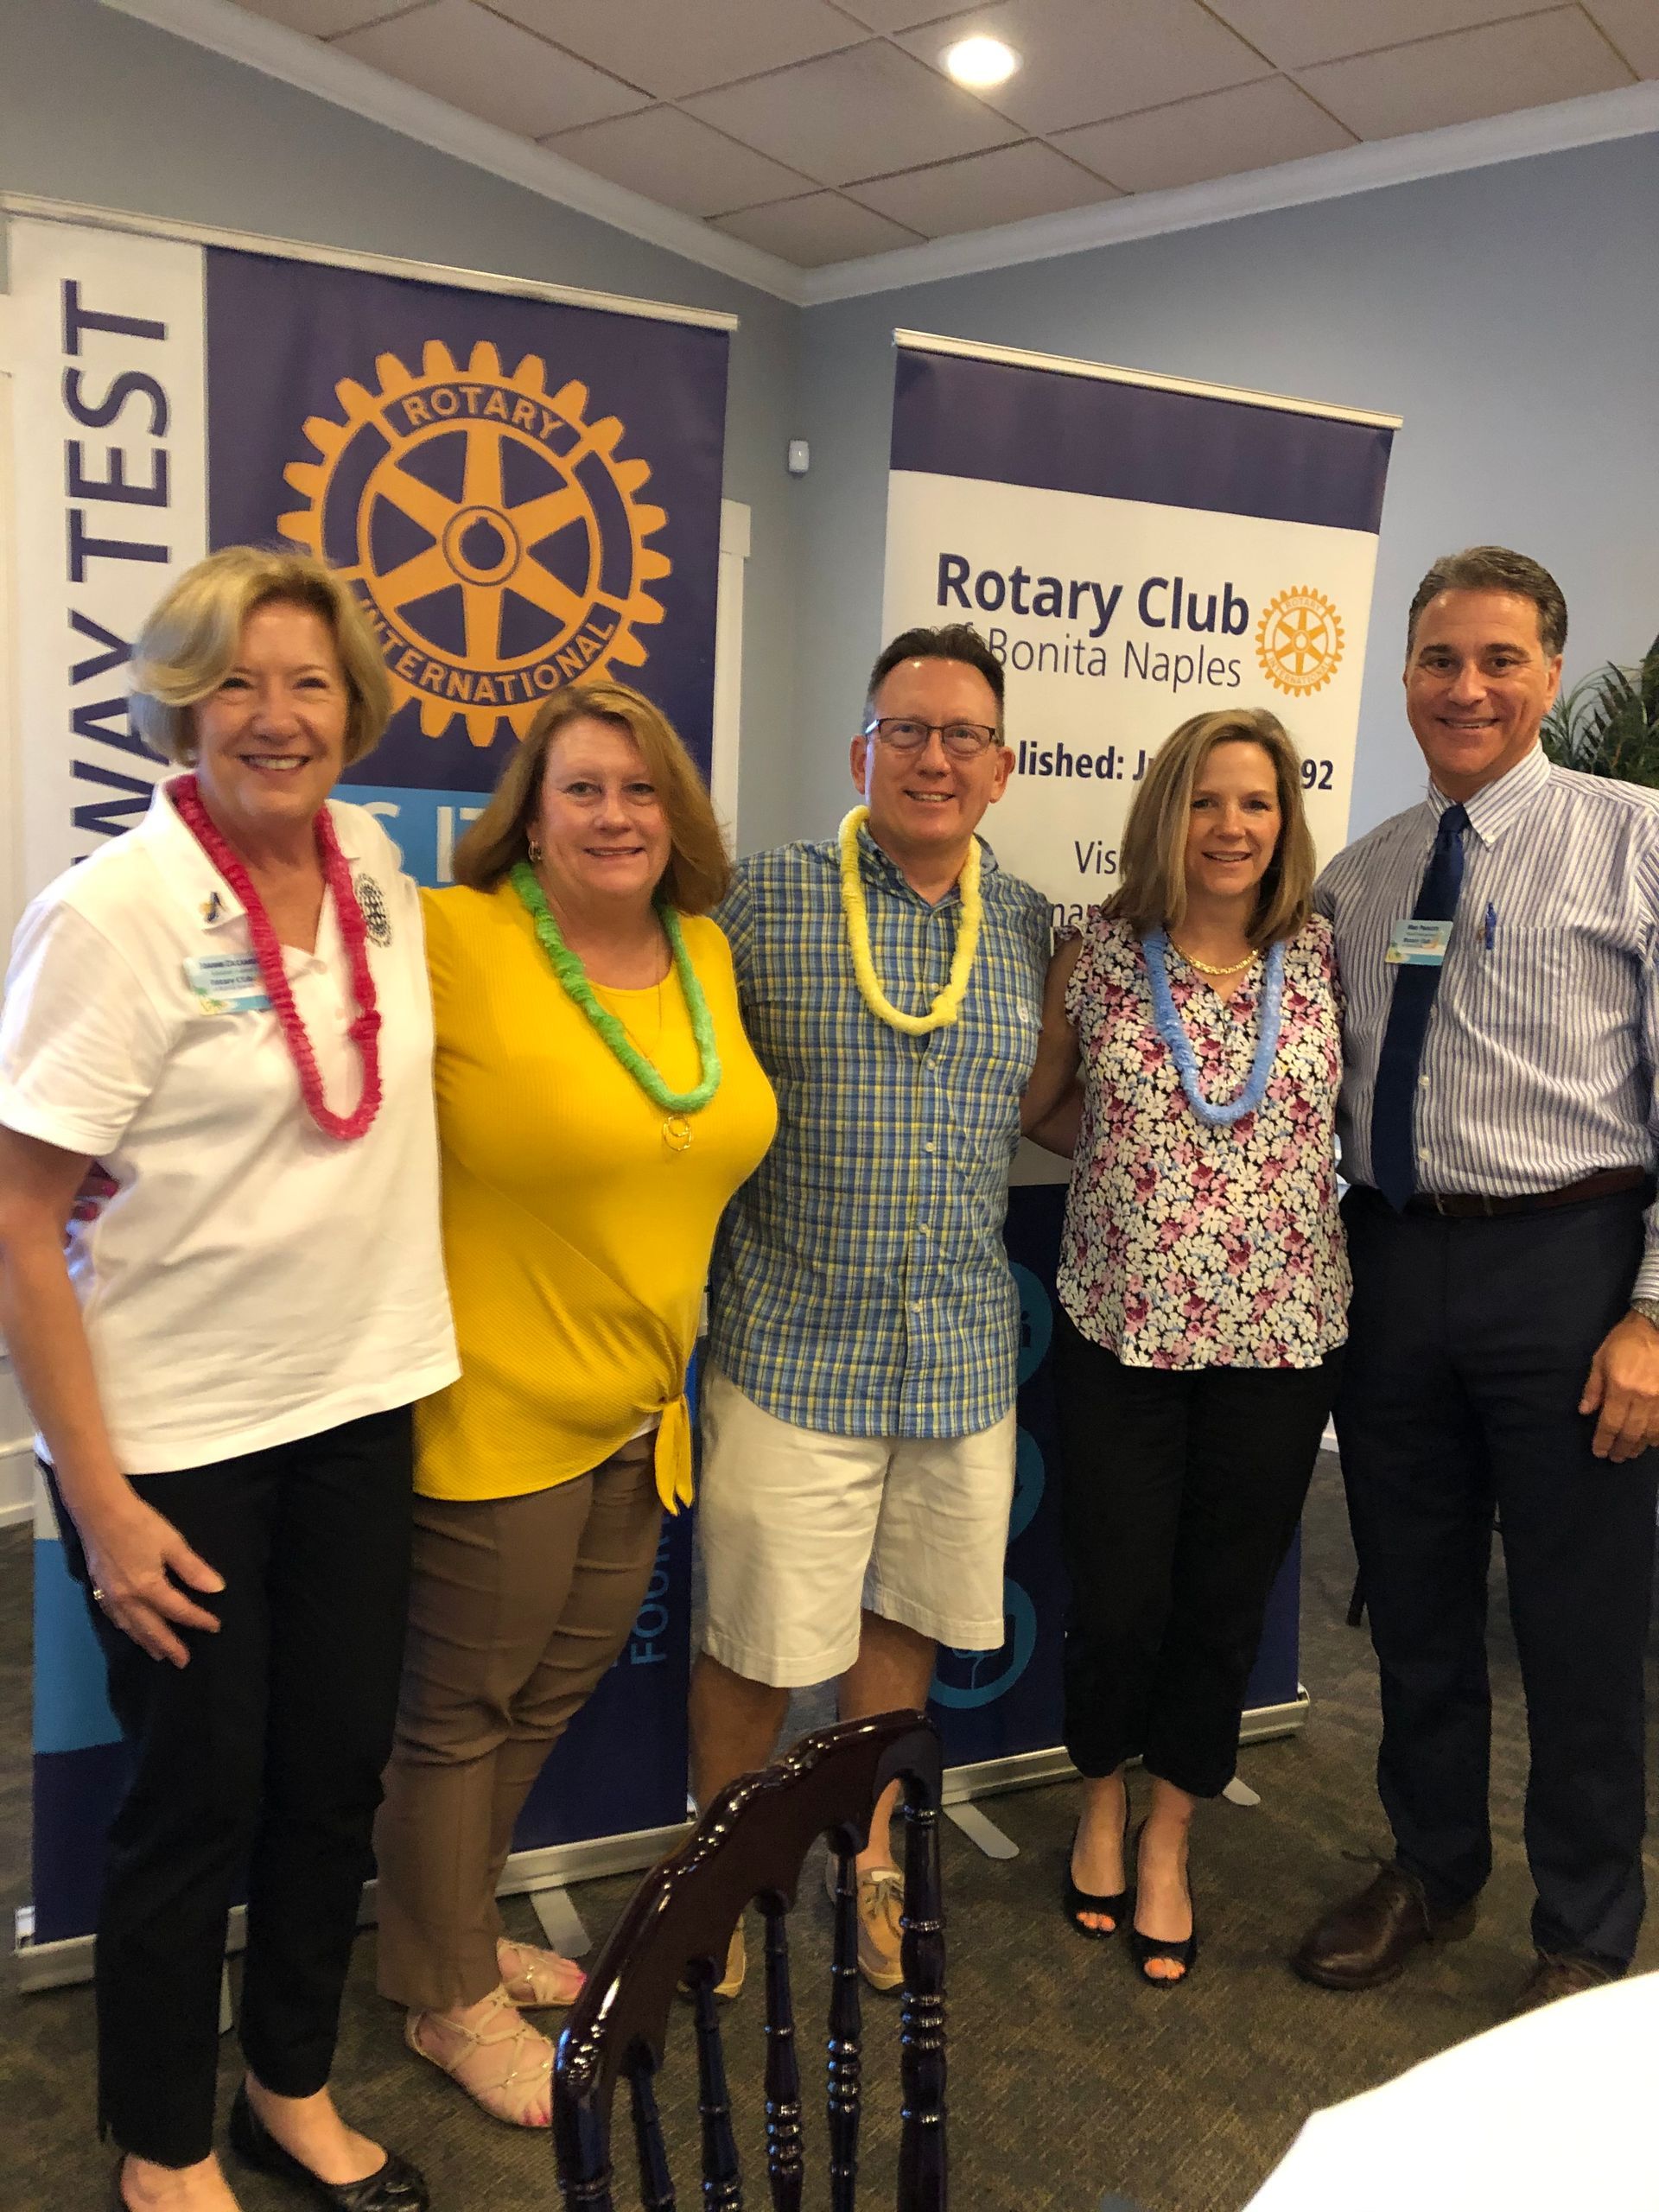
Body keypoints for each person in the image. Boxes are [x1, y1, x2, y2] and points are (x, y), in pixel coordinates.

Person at [0, 550, 457, 2212]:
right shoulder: (114, 915)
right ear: (180, 704)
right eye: (240, 683)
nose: (278, 717)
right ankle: (160, 2142)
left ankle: (288, 2085)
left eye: (312, 683)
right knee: (197, 1796)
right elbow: (17, 1222)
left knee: (333, 1777)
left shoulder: (375, 870)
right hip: (176, 1438)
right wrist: (101, 1507)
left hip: (356, 1404)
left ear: (356, 710)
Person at [372, 681, 776, 2126]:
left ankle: (451, 1937)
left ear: (679, 818)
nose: (617, 814)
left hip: (637, 1412)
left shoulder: (704, 952)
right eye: (584, 790)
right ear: (529, 822)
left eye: (643, 789)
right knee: (461, 1712)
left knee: (543, 1696)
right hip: (491, 1409)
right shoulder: (454, 937)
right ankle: (443, 2001)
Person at [1292, 547, 1659, 2017]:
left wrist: (1653, 1311)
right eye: (1441, 660)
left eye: (1500, 660)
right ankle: (1431, 1872)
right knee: (1417, 1602)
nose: (1468, 688)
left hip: (1570, 1268)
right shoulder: (1363, 875)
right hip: (1392, 1265)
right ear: (1405, 680)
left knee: (1579, 1623)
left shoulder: (1634, 839)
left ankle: (1584, 1934)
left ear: (1552, 676)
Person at [687, 621, 1051, 1995]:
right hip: (793, 1351)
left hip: (957, 1363)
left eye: (963, 735)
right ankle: (718, 1875)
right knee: (753, 1646)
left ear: (1003, 768)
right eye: (908, 730)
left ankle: (873, 1860)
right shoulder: (761, 899)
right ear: (862, 750)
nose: (935, 757)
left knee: (896, 1632)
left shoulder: (1022, 927)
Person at [1021, 707, 1347, 1985]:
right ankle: (1098, 1805)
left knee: (1220, 1606)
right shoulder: (1097, 954)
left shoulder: (1320, 958)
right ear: (1168, 813)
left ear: (1283, 821)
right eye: (1207, 801)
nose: (1230, 827)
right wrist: (1135, 1175)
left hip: (1281, 1343)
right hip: (1125, 1334)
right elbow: (1048, 1107)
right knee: (1118, 1597)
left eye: (1255, 803)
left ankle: (1169, 1840)